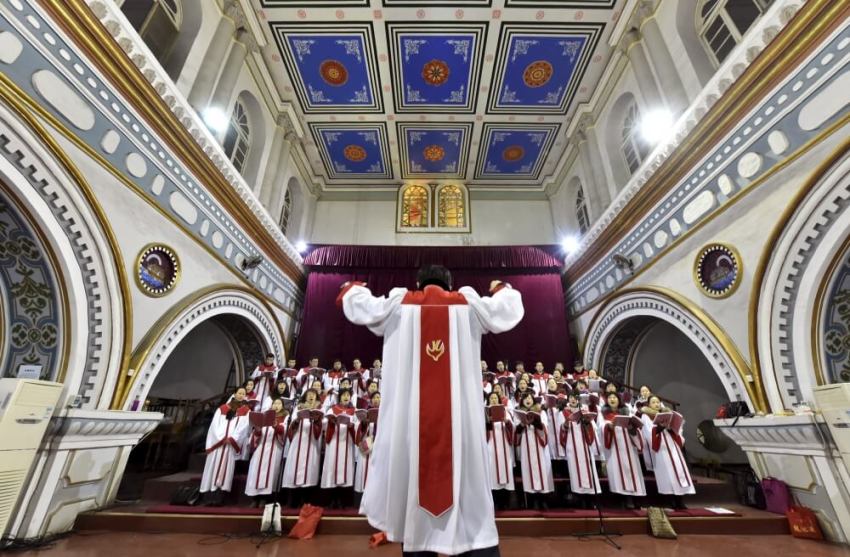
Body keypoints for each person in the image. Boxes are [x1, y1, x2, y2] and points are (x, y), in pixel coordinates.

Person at [339, 264, 524, 556]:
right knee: (467, 484)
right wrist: (501, 288)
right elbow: (505, 309)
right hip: (460, 424)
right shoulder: (468, 305)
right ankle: (472, 544)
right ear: (450, 284)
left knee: (413, 477)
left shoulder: (399, 304)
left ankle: (417, 543)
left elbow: (363, 306)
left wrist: (353, 289)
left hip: (412, 424)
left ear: (418, 282)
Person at [640, 395, 694, 508]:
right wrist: (659, 428)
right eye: (653, 402)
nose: (656, 404)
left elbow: (678, 430)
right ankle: (670, 500)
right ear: (648, 404)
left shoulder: (668, 413)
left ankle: (680, 499)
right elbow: (648, 432)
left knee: (678, 472)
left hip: (673, 445)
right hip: (661, 447)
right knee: (667, 473)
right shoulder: (646, 416)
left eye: (657, 402)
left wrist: (673, 426)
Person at [200, 387, 251, 505]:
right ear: (234, 394)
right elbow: (214, 426)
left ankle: (219, 498)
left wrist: (232, 438)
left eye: (243, 394)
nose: (241, 395)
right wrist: (221, 438)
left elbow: (243, 428)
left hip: (229, 446)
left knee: (225, 470)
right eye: (239, 393)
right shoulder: (222, 408)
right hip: (218, 445)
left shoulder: (245, 411)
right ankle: (209, 497)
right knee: (213, 468)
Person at [598, 392, 646, 508]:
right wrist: (608, 427)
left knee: (632, 472)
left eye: (614, 397)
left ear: (619, 400)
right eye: (609, 398)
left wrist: (632, 428)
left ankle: (635, 498)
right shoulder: (604, 414)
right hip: (615, 448)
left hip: (629, 447)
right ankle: (624, 499)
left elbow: (636, 431)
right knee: (620, 473)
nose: (612, 399)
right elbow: (600, 427)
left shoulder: (627, 413)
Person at [282, 389, 323, 506]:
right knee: (295, 469)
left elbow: (321, 426)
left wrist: (317, 421)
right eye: (309, 394)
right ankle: (294, 501)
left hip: (311, 444)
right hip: (298, 442)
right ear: (305, 396)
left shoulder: (319, 409)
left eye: (313, 394)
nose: (311, 396)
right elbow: (291, 425)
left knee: (309, 471)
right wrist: (296, 421)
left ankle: (307, 501)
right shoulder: (298, 407)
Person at [245, 398, 290, 506]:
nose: (276, 405)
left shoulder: (285, 417)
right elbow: (257, 435)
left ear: (282, 406)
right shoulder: (264, 416)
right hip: (261, 448)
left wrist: (275, 426)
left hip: (274, 448)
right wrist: (258, 429)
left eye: (279, 403)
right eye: (275, 403)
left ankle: (266, 499)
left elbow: (284, 431)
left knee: (270, 474)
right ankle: (255, 498)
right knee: (256, 472)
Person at [514, 392, 553, 510]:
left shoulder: (540, 411)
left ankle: (543, 500)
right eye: (525, 398)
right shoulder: (519, 413)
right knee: (529, 472)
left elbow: (545, 427)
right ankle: (532, 501)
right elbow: (516, 433)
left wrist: (536, 422)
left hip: (539, 446)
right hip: (527, 445)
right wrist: (522, 424)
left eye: (530, 398)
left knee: (542, 471)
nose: (528, 400)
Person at [560, 395, 601, 507]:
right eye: (571, 398)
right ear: (568, 400)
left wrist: (587, 422)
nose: (573, 399)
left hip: (586, 447)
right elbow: (562, 431)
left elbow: (591, 433)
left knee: (589, 472)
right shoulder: (563, 412)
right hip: (572, 447)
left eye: (575, 398)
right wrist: (565, 425)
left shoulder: (585, 412)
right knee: (576, 473)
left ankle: (590, 499)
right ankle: (579, 499)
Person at [322, 388, 357, 508]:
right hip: (333, 442)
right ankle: (332, 500)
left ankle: (343, 501)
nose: (346, 397)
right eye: (344, 395)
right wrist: (331, 422)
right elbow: (324, 424)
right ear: (340, 397)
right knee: (332, 469)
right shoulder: (333, 409)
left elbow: (357, 427)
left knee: (344, 470)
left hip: (346, 444)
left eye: (348, 395)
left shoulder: (353, 411)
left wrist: (352, 426)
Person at [485, 392, 514, 510]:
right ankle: (495, 501)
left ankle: (505, 501)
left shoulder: (505, 411)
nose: (493, 399)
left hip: (504, 446)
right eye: (491, 398)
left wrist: (507, 422)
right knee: (492, 470)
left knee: (504, 469)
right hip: (490, 445)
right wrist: (488, 421)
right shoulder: (485, 413)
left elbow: (512, 427)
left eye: (495, 398)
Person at [354, 391, 381, 496]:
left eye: (378, 397)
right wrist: (364, 423)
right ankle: (361, 496)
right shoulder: (365, 412)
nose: (376, 399)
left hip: (378, 445)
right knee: (363, 469)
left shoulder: (384, 412)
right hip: (366, 443)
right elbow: (359, 431)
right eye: (374, 397)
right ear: (371, 400)